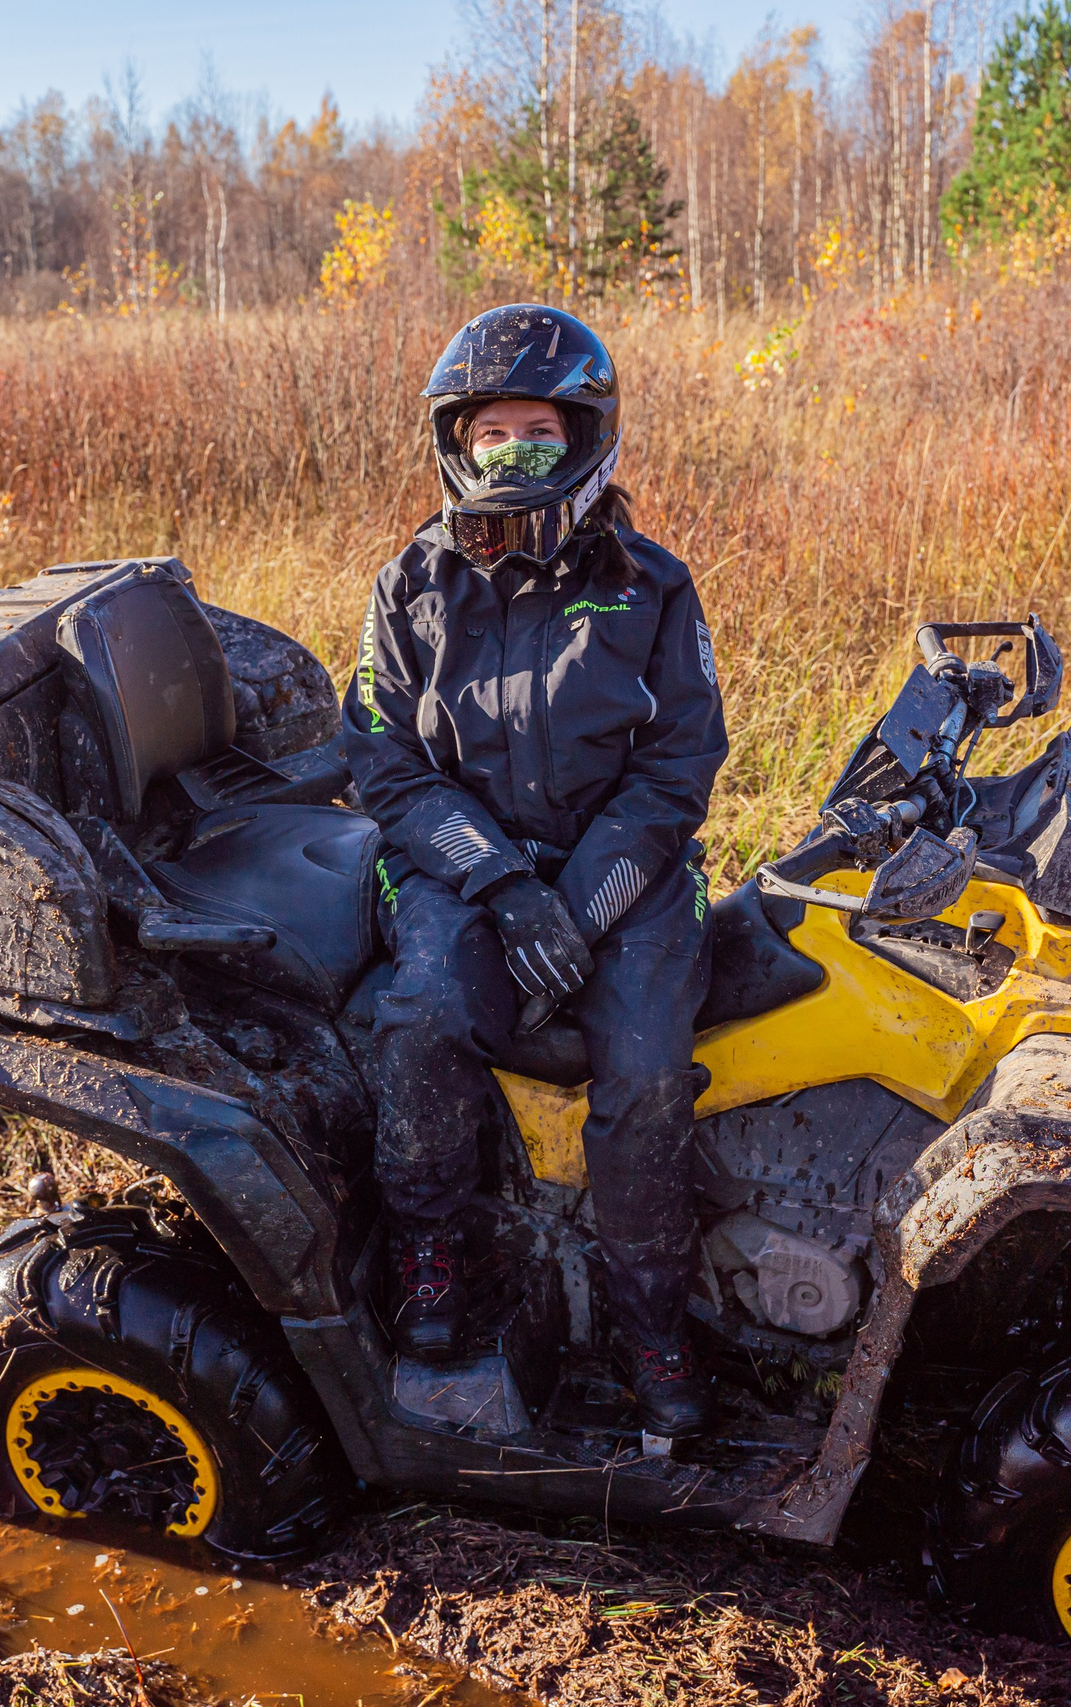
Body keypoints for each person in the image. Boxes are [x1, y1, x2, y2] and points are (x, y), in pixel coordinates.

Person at [342, 303, 729, 1440]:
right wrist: (507, 892)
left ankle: (649, 1316)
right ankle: (430, 1260)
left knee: (649, 1072)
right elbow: (389, 767)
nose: (512, 455)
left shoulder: (653, 585)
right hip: (464, 865)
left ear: (587, 437)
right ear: (457, 444)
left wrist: (578, 905)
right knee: (420, 1019)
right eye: (491, 434)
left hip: (634, 867)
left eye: (538, 435)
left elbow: (677, 770)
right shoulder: (409, 586)